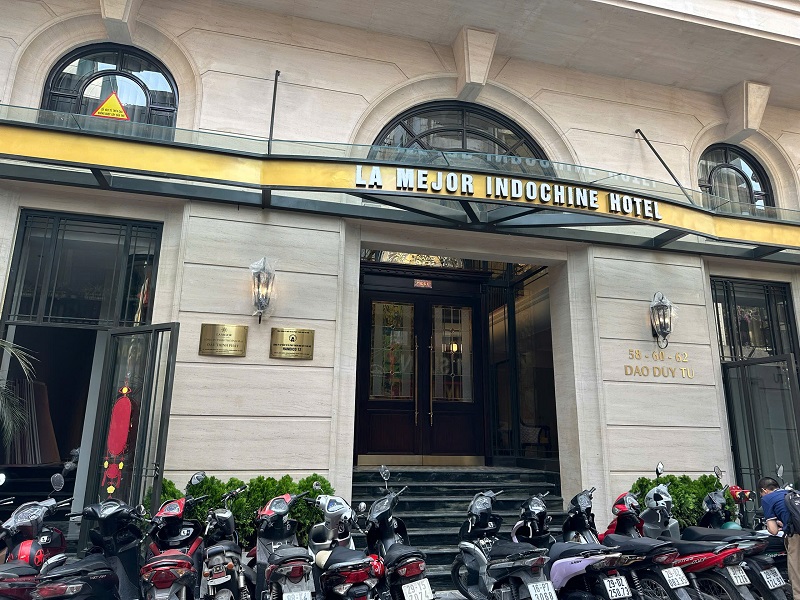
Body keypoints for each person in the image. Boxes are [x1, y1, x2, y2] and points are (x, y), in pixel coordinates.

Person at [758, 477, 799, 598]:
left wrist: (772, 525)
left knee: (796, 572)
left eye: (761, 494)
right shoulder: (793, 493)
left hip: (796, 535)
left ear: (764, 490)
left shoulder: (767, 499)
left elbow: (774, 531)